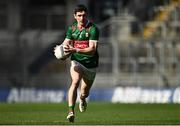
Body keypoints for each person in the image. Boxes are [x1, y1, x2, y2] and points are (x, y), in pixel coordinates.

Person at [54, 4, 99, 122]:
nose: (82, 18)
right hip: (77, 61)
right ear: (75, 16)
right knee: (74, 82)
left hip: (91, 64)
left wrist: (76, 49)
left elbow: (92, 49)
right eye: (79, 15)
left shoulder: (93, 29)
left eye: (84, 15)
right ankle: (71, 112)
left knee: (84, 92)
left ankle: (82, 99)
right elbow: (66, 43)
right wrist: (60, 49)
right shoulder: (72, 28)